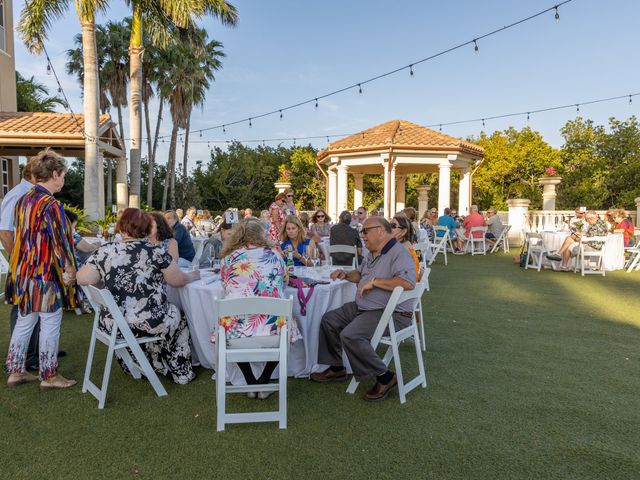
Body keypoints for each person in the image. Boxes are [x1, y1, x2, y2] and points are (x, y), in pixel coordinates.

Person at [77, 208, 199, 384]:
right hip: (150, 322)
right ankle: (181, 372)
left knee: (164, 315)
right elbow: (177, 280)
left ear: (122, 228)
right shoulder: (156, 251)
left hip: (113, 324)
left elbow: (82, 278)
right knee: (177, 317)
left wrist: (103, 283)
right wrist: (194, 276)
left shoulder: (107, 250)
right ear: (147, 229)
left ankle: (143, 363)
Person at [311, 216, 416, 402]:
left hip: (390, 313)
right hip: (365, 306)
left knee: (351, 335)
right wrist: (345, 274)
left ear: (381, 231)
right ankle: (337, 369)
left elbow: (407, 283)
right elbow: (361, 274)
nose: (362, 236)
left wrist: (375, 282)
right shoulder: (373, 252)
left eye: (365, 231)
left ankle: (385, 377)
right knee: (329, 320)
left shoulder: (400, 252)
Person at [5, 149, 78, 389]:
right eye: (63, 175)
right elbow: (61, 243)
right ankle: (49, 374)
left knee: (25, 321)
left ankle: (16, 370)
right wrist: (70, 272)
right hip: (44, 275)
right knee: (50, 322)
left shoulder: (23, 200)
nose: (63, 179)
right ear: (55, 174)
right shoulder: (50, 205)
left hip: (23, 272)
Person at [212, 218, 300, 398]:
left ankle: (250, 381)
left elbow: (224, 284)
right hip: (274, 331)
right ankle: (264, 380)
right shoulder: (274, 254)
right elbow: (284, 280)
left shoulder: (229, 257)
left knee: (228, 322)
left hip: (234, 334)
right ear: (261, 235)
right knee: (290, 324)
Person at [0, 160, 40, 371]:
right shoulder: (17, 195)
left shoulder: (33, 194)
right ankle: (19, 358)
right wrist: (19, 260)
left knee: (34, 305)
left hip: (34, 263)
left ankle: (34, 352)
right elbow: (5, 231)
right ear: (35, 174)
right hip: (23, 263)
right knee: (22, 307)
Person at [391, 213, 421, 280]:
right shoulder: (404, 244)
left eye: (393, 226)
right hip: (408, 283)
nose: (389, 229)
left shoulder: (402, 249)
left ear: (404, 231)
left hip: (404, 286)